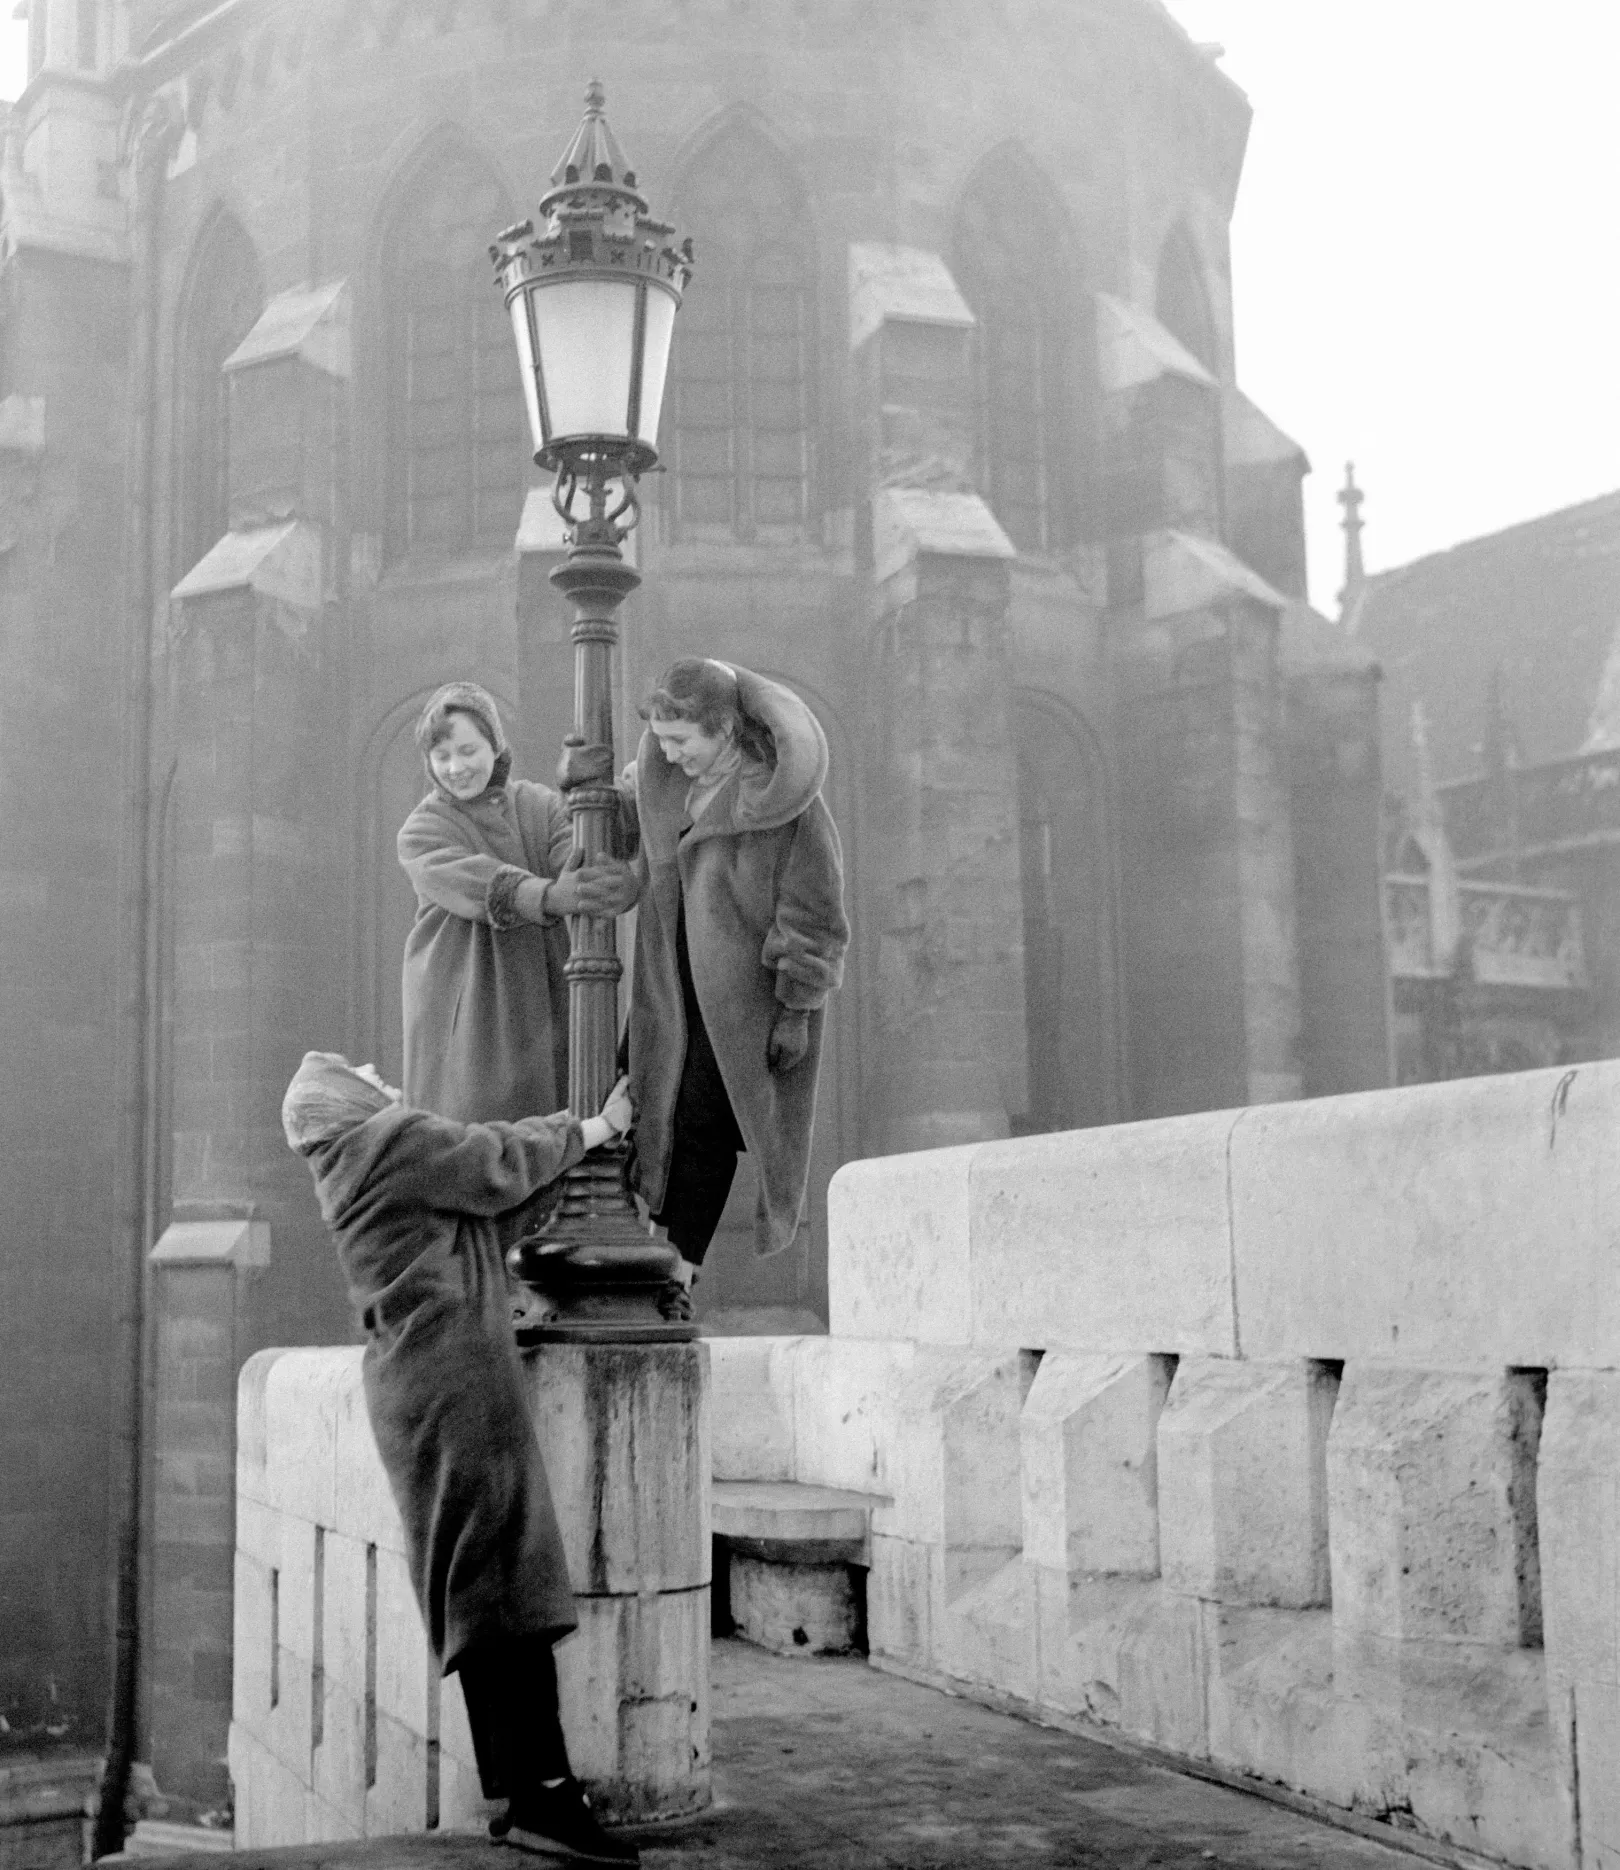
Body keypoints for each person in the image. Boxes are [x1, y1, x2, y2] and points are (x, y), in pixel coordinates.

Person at [281, 1049, 640, 1867]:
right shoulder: (394, 1143)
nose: (375, 1070)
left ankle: (521, 1797)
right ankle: (548, 1799)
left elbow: (484, 1216)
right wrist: (596, 1126)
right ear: (347, 1101)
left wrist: (566, 1161)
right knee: (507, 1593)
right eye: (354, 1069)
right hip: (456, 1383)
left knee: (482, 1598)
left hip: (415, 1390)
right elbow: (494, 1162)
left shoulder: (356, 1172)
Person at [620, 659, 848, 1305]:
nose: (668, 754)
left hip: (739, 1002)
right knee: (634, 1098)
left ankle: (676, 1278)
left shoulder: (785, 802)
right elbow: (634, 840)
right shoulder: (666, 782)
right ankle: (626, 1253)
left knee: (701, 1125)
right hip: (670, 979)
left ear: (722, 728)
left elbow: (816, 916)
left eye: (681, 740)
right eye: (661, 740)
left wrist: (795, 1010)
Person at [398, 681, 637, 1124]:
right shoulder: (422, 830)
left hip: (544, 990)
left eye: (468, 750)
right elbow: (474, 884)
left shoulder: (537, 804)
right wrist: (548, 895)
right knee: (474, 1133)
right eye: (442, 756)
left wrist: (607, 870)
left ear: (495, 745)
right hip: (465, 1000)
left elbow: (575, 856)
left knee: (554, 1121)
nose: (456, 768)